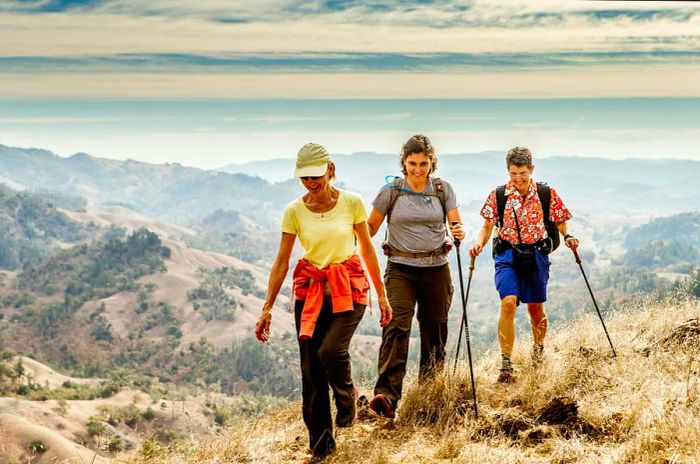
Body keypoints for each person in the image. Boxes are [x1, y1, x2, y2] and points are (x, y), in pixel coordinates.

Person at [254, 143, 392, 461]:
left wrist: (381, 295)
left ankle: (347, 399)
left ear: (330, 169)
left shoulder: (352, 203)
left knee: (331, 350)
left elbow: (368, 251)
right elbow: (281, 262)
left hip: (349, 288)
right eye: (304, 178)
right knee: (312, 373)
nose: (311, 183)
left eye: (315, 176)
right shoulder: (294, 211)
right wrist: (267, 307)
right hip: (312, 293)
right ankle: (321, 448)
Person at [366, 134, 465, 419]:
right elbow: (370, 227)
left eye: (423, 163)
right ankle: (386, 396)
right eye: (412, 163)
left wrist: (459, 232)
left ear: (432, 162)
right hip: (400, 268)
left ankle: (429, 394)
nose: (418, 169)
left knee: (435, 330)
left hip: (436, 268)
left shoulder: (443, 189)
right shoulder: (391, 190)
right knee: (396, 326)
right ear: (403, 162)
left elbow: (455, 222)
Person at [469, 146, 579, 384]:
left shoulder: (545, 193)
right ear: (508, 172)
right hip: (507, 255)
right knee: (508, 303)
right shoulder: (499, 195)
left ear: (532, 170)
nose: (518, 179)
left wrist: (569, 236)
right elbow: (487, 226)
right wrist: (478, 244)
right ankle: (506, 363)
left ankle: (538, 350)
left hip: (537, 253)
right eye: (513, 174)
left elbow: (560, 221)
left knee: (535, 308)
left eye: (522, 173)